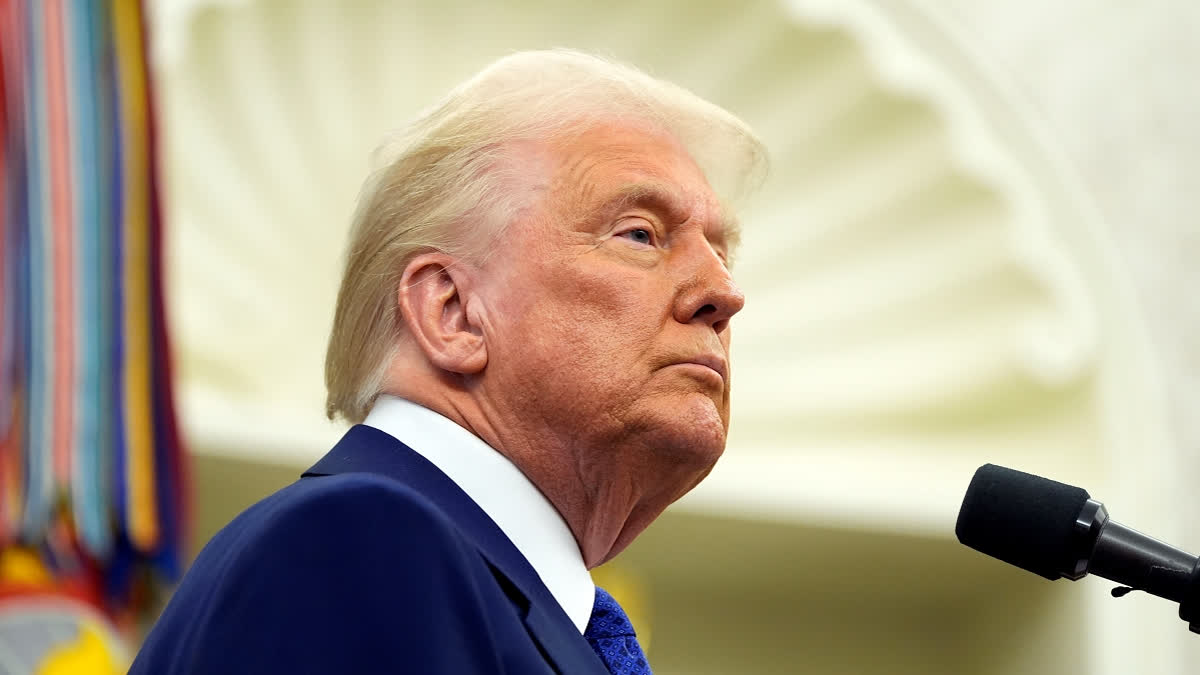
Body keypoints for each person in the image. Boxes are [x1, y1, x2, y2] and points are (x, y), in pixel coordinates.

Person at [130, 49, 766, 674]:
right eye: (640, 233)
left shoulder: (476, 587)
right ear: (452, 312)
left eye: (721, 253)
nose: (724, 295)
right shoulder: (360, 545)